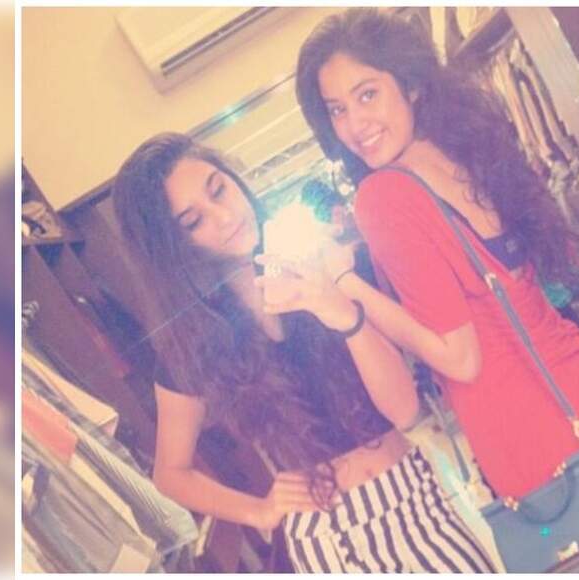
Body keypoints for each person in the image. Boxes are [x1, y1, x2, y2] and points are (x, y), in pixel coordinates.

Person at [111, 132, 495, 573]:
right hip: (328, 541)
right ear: (175, 250)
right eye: (194, 222)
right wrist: (258, 511)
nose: (225, 217)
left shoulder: (324, 266)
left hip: (419, 502)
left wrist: (339, 310)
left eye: (218, 189)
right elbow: (170, 474)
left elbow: (405, 410)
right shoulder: (197, 344)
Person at [296, 8, 579, 503]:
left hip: (530, 431)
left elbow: (460, 358)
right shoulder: (462, 154)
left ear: (410, 85)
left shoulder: (383, 196)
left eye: (367, 94)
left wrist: (346, 284)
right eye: (337, 110)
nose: (354, 124)